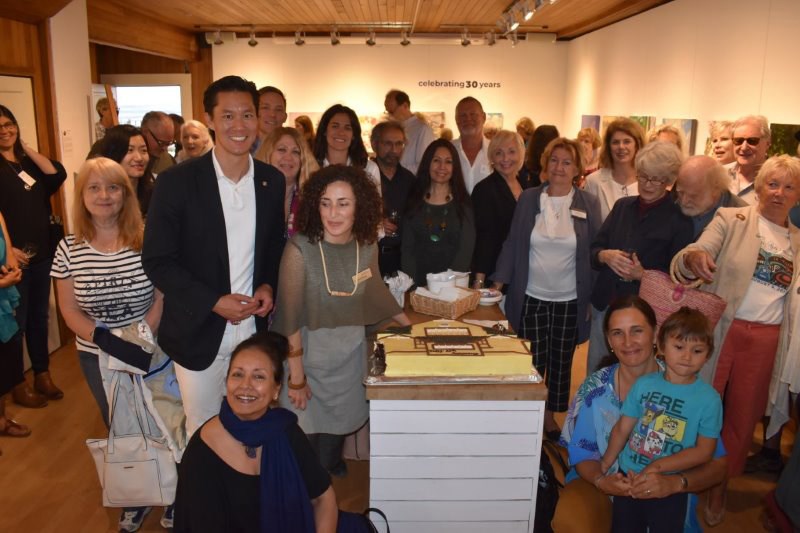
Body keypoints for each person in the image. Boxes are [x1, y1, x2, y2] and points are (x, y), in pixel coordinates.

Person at [142, 75, 286, 438]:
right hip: (198, 331)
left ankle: (248, 494)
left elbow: (271, 246)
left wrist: (268, 283)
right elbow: (157, 260)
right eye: (227, 116)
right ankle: (202, 496)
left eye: (247, 115)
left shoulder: (271, 180)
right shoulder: (178, 182)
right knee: (203, 429)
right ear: (209, 118)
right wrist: (213, 302)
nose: (239, 126)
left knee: (253, 427)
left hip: (254, 331)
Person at [673, 154, 800, 524]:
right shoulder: (732, 219)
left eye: (789, 187)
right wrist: (694, 259)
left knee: (743, 419)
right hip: (721, 331)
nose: (779, 193)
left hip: (767, 340)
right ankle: (688, 472)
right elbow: (694, 253)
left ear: (798, 195)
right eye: (773, 184)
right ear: (760, 187)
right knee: (702, 405)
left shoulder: (797, 239)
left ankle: (719, 483)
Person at [50, 157, 166, 532]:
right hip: (96, 355)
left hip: (151, 347)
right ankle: (136, 496)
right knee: (121, 425)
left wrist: (137, 339)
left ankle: (172, 490)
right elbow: (68, 309)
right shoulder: (68, 248)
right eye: (94, 187)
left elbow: (163, 295)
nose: (104, 195)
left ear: (126, 193)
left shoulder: (147, 237)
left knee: (164, 419)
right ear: (81, 195)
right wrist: (106, 340)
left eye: (113, 187)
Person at [271, 165, 410, 475]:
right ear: (314, 205)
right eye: (325, 202)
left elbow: (375, 290)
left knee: (337, 429)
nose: (333, 212)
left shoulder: (366, 245)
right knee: (304, 446)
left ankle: (330, 465)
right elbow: (289, 316)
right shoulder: (299, 249)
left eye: (343, 203)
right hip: (306, 355)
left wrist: (410, 327)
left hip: (348, 356)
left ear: (359, 206)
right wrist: (296, 377)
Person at [556, 296, 727, 533]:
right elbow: (580, 452)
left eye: (637, 330)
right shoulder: (595, 390)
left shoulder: (689, 388)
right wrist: (602, 480)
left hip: (668, 494)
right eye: (617, 333)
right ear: (609, 341)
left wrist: (673, 483)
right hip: (605, 489)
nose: (628, 342)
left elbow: (717, 464)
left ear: (656, 335)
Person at [173, 331, 338, 533]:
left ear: (276, 389)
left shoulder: (285, 431)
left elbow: (323, 498)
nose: (245, 386)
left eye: (258, 376)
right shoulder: (203, 451)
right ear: (227, 383)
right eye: (238, 374)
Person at [492, 137, 601, 440]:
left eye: (567, 162)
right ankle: (531, 413)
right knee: (533, 359)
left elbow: (595, 253)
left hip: (570, 298)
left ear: (577, 167)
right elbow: (513, 243)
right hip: (532, 296)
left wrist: (592, 298)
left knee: (561, 361)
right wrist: (496, 285)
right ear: (545, 164)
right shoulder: (529, 198)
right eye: (554, 160)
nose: (559, 167)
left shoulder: (588, 203)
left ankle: (551, 416)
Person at [600, 307, 722, 533]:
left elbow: (705, 451)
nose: (686, 357)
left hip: (669, 487)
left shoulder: (709, 400)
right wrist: (605, 464)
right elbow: (622, 429)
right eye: (678, 347)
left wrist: (658, 467)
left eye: (697, 350)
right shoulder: (644, 384)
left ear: (707, 355)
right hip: (630, 479)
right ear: (662, 346)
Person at [586, 141, 693, 374]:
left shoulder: (679, 220)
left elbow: (680, 280)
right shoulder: (623, 206)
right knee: (597, 375)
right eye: (643, 176)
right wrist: (605, 255)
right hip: (606, 304)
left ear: (668, 180)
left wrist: (644, 275)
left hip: (643, 313)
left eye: (656, 179)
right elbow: (593, 251)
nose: (646, 184)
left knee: (634, 377)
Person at [0, 104, 67, 407]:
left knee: (40, 317)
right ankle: (17, 384)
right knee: (17, 323)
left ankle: (42, 373)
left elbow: (57, 174)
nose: (5, 130)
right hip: (13, 259)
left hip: (42, 253)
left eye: (9, 124)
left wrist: (24, 146)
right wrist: (8, 246)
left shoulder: (27, 163)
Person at [402, 139, 475, 286]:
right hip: (418, 286)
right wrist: (412, 286)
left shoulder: (463, 204)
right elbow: (407, 250)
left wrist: (445, 285)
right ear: (427, 163)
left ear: (455, 167)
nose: (442, 167)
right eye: (436, 160)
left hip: (453, 287)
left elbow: (465, 250)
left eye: (448, 162)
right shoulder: (413, 202)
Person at [471, 130, 535, 290]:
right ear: (492, 158)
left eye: (511, 152)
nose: (506, 159)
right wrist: (479, 281)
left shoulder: (528, 185)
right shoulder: (484, 189)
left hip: (526, 271)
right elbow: (483, 238)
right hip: (495, 275)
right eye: (499, 153)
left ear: (521, 154)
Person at [254, 126, 319, 239]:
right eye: (281, 150)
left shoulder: (312, 201)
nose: (288, 157)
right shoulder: (251, 195)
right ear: (267, 154)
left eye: (295, 152)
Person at [370, 120, 416, 276]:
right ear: (374, 144)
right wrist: (377, 224)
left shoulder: (410, 180)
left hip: (402, 259)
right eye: (388, 144)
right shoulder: (363, 176)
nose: (394, 150)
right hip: (371, 258)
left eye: (399, 144)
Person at [0, 211, 30, 450]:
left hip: (3, 297)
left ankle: (1, 420)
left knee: (4, 358)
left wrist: (11, 265)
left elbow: (7, 248)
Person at [585, 118, 645, 221]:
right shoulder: (593, 182)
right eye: (615, 142)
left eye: (627, 141)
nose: (621, 147)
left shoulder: (648, 181)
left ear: (637, 145)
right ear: (608, 147)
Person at [88, 124, 156, 216]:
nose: (139, 158)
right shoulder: (102, 197)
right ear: (113, 154)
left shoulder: (154, 195)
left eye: (143, 150)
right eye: (130, 150)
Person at [673, 155, 746, 238]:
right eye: (681, 192)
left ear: (716, 189)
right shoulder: (671, 203)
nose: (684, 201)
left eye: (693, 196)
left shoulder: (740, 218)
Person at [313, 104, 381, 192]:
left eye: (347, 128)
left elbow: (376, 205)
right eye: (335, 126)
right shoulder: (311, 167)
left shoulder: (369, 169)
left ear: (354, 135)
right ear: (324, 131)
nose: (341, 132)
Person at [384, 89, 435, 174]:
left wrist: (395, 170)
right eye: (387, 111)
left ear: (405, 106)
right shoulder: (392, 128)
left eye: (392, 111)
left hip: (412, 183)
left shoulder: (423, 129)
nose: (389, 115)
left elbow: (424, 164)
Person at [726, 115, 770, 205]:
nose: (744, 147)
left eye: (752, 141)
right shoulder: (718, 174)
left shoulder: (777, 181)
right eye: (738, 141)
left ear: (767, 144)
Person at [452, 97, 490, 193]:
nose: (468, 119)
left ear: (484, 117)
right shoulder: (447, 150)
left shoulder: (495, 151)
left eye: (473, 114)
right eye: (462, 115)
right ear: (456, 120)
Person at [253, 86, 288, 154]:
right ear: (254, 112)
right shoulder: (242, 149)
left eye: (278, 109)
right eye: (265, 108)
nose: (272, 114)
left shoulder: (294, 151)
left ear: (285, 117)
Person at [141, 111, 176, 176]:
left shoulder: (168, 161)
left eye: (168, 143)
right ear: (145, 132)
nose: (165, 148)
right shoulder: (131, 161)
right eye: (161, 142)